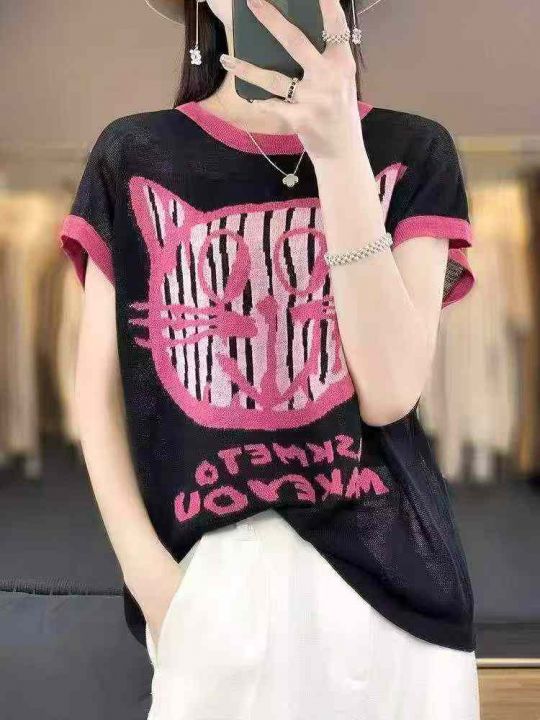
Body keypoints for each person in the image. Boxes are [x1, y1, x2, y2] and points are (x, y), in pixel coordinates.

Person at [59, 0, 481, 717]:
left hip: (395, 607)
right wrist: (158, 589)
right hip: (209, 592)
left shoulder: (412, 148)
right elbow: (94, 396)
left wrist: (340, 153)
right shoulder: (133, 155)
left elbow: (390, 392)